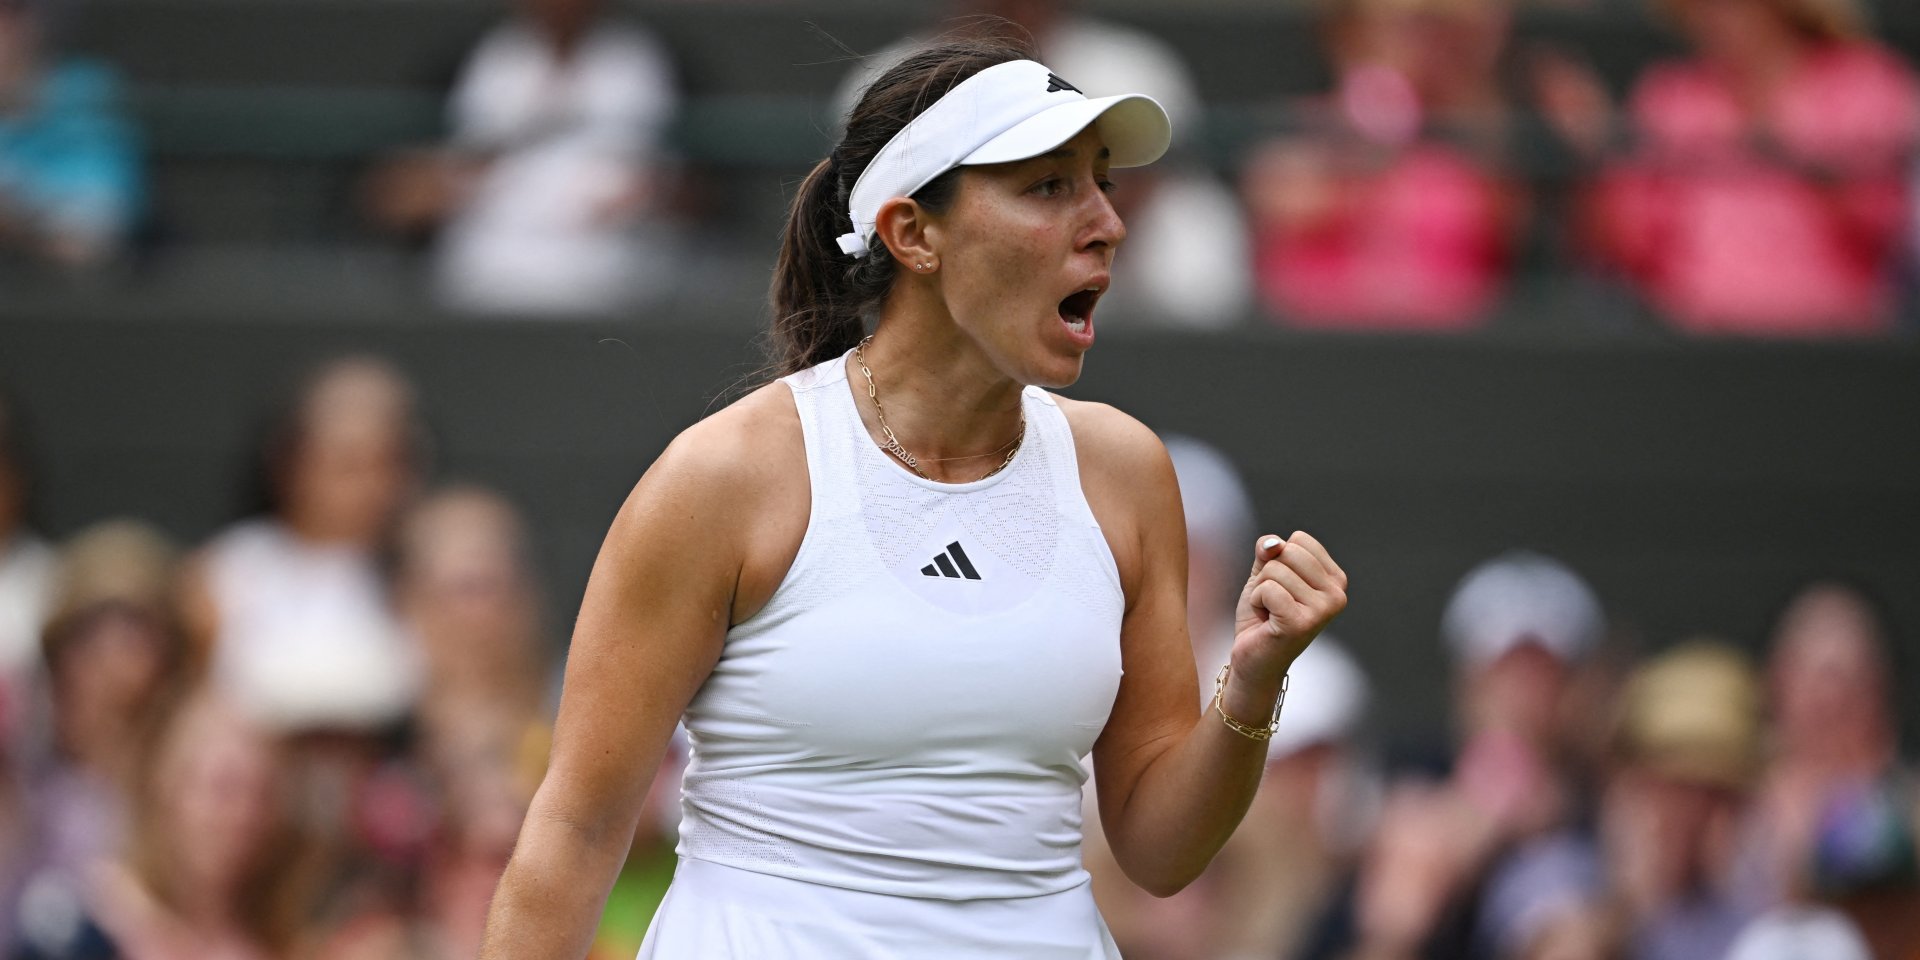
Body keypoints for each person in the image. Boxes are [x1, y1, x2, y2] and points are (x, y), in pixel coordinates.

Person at [479, 37, 1348, 959]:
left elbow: (1160, 851)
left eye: (1102, 184)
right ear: (913, 235)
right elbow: (573, 834)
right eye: (1049, 187)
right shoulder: (725, 478)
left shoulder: (1125, 473)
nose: (1107, 223)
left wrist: (1252, 682)